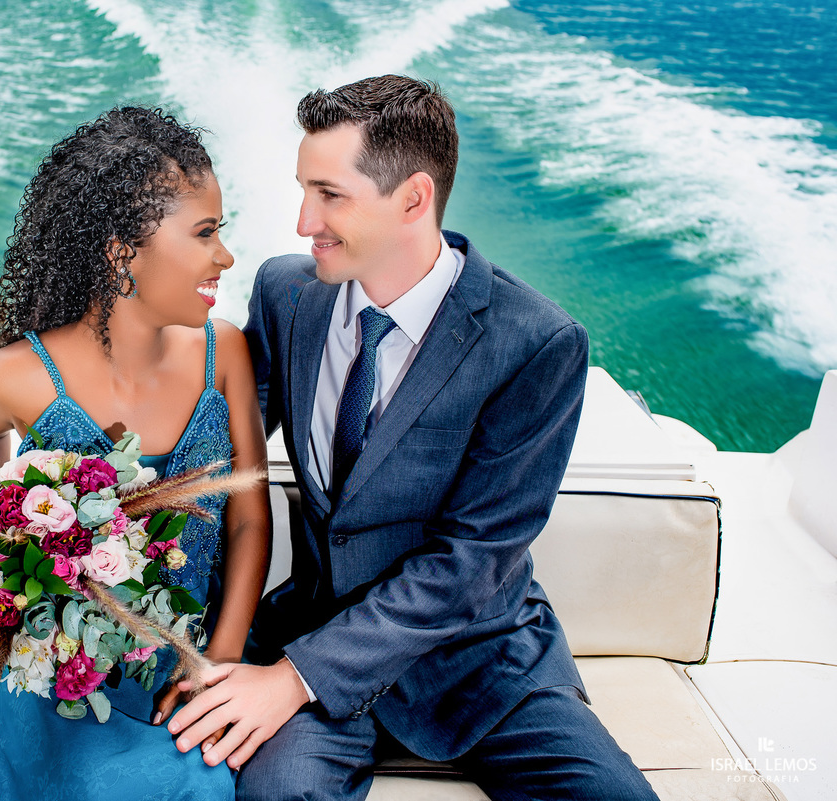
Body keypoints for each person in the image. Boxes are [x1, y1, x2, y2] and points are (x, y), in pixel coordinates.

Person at [167, 76, 658, 800]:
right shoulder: (284, 294)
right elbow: (215, 461)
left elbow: (472, 560)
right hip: (313, 631)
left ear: (414, 199)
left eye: (330, 195)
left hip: (481, 660)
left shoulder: (537, 342)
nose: (304, 222)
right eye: (304, 190)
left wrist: (293, 679)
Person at [0, 106, 270, 801]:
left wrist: (216, 661)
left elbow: (251, 518)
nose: (224, 256)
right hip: (55, 653)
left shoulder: (225, 353)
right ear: (122, 250)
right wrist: (6, 522)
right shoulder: (16, 374)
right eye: (204, 233)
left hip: (183, 648)